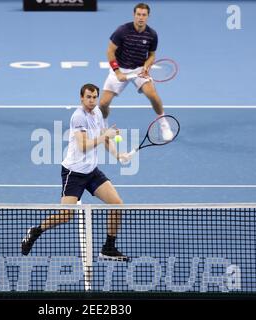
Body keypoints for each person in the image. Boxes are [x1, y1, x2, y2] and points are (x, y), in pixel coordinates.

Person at [21, 83, 131, 261]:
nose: (92, 100)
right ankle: (35, 231)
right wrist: (105, 136)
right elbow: (84, 145)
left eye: (95, 97)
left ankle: (108, 248)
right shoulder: (78, 117)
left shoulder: (99, 113)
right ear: (81, 98)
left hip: (91, 172)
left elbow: (105, 136)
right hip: (74, 173)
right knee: (66, 215)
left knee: (117, 204)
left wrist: (118, 155)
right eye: (88, 97)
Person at [99, 2, 173, 139]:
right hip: (120, 68)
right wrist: (117, 72)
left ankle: (163, 123)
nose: (141, 17)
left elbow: (151, 55)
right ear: (134, 15)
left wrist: (147, 66)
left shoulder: (152, 34)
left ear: (148, 16)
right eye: (138, 14)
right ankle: (103, 126)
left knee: (153, 95)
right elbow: (110, 51)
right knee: (103, 104)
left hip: (139, 69)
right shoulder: (122, 31)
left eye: (144, 15)